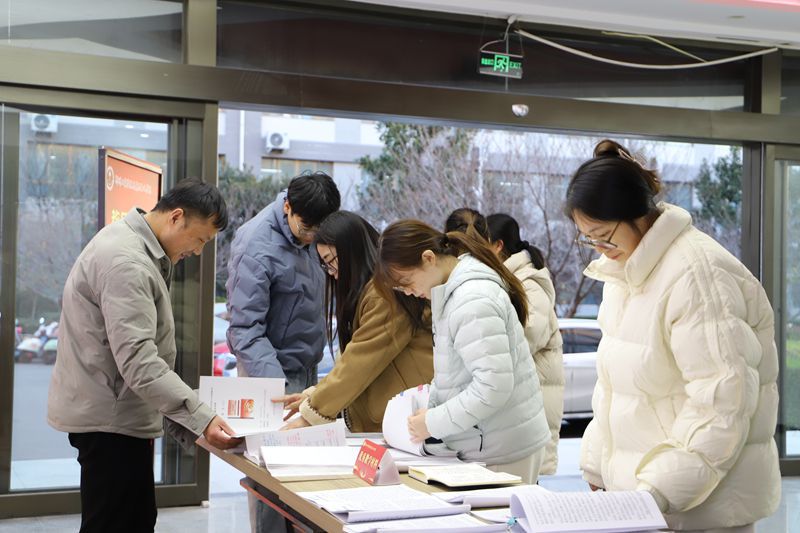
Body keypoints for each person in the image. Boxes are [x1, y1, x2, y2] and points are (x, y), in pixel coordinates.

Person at [567, 140, 780, 532]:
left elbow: (722, 403)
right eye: (587, 237)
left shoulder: (696, 274)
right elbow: (617, 388)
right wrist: (598, 467)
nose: (598, 248)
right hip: (643, 506)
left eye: (602, 234)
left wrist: (657, 493)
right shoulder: (624, 271)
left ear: (636, 215)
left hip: (697, 511)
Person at [47, 177, 241, 533]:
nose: (197, 251)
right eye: (199, 239)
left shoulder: (133, 246)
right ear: (176, 217)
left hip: (114, 415)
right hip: (110, 422)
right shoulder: (128, 261)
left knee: (129, 519)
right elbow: (138, 360)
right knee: (117, 523)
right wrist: (202, 418)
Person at [374, 220, 550, 483]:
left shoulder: (471, 300)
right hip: (493, 440)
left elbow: (493, 386)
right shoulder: (454, 293)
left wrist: (432, 422)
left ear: (429, 258)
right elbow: (461, 374)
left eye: (407, 282)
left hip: (503, 448)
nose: (410, 292)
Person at [225, 171, 340, 533]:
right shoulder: (255, 244)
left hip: (306, 374)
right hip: (268, 377)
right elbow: (244, 329)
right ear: (288, 207)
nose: (311, 238)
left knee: (306, 485)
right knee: (271, 491)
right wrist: (274, 388)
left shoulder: (313, 237)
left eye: (318, 231)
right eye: (307, 228)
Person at [274, 211, 433, 432]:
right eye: (326, 266)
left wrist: (310, 415)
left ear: (352, 252)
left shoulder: (383, 295)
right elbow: (353, 360)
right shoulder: (374, 290)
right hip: (400, 421)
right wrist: (312, 397)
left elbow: (359, 362)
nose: (332, 273)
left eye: (331, 262)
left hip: (407, 422)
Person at [486, 213, 564, 477]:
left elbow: (527, 335)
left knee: (529, 488)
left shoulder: (529, 283)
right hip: (524, 399)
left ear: (497, 246)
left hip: (536, 398)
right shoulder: (510, 280)